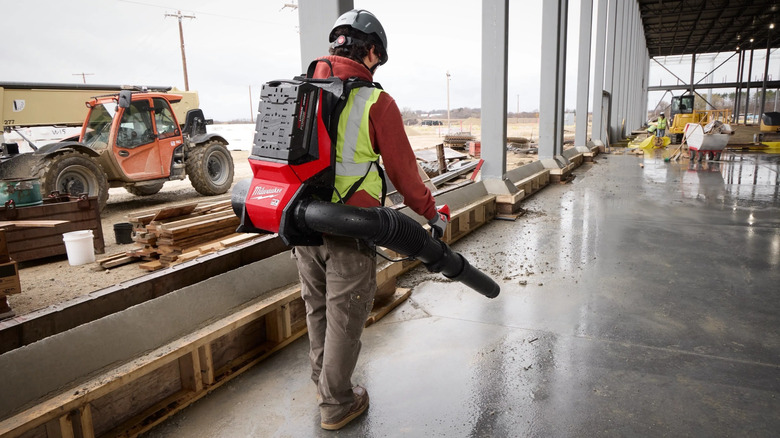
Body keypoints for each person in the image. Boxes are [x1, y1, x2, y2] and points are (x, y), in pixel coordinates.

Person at [293, 9, 449, 431]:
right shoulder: (375, 101)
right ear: (373, 52)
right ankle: (336, 404)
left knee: (317, 309)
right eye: (379, 57)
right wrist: (432, 215)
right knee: (345, 318)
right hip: (350, 228)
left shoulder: (303, 90)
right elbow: (405, 175)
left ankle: (322, 385)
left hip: (303, 226)